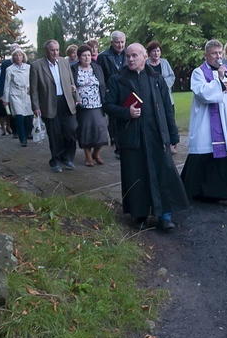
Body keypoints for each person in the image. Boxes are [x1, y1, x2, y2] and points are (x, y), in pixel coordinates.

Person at [103, 43, 189, 231]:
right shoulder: (118, 80)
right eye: (128, 56)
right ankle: (140, 214)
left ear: (144, 57)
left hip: (157, 136)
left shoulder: (156, 79)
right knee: (136, 176)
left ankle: (165, 215)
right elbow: (107, 105)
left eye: (135, 56)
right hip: (132, 138)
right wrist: (127, 112)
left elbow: (168, 109)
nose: (131, 59)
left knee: (163, 174)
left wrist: (172, 135)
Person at [181, 39, 227, 208]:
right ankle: (199, 193)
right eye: (214, 53)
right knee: (204, 157)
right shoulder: (198, 73)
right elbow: (203, 94)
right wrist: (219, 81)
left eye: (220, 53)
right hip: (207, 123)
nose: (218, 57)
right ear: (206, 55)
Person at [29, 40, 80, 172]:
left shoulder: (64, 62)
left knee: (71, 130)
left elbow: (71, 82)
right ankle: (56, 160)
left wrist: (76, 97)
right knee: (54, 134)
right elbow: (33, 89)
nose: (55, 53)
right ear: (46, 51)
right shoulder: (36, 66)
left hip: (66, 101)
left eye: (57, 50)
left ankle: (68, 157)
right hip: (49, 103)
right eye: (52, 50)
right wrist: (35, 107)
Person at [72, 45, 109, 166]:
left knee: (101, 130)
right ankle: (88, 157)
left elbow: (102, 84)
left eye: (88, 55)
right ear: (79, 57)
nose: (87, 57)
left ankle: (96, 153)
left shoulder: (97, 68)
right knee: (85, 131)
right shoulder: (73, 69)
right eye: (84, 55)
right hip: (82, 106)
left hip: (98, 104)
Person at [97, 31, 127, 159]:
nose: (120, 45)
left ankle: (126, 145)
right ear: (111, 43)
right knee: (114, 121)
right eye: (117, 42)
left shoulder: (129, 54)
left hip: (127, 91)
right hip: (112, 92)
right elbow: (100, 77)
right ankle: (119, 148)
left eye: (122, 42)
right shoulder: (103, 57)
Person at [146, 41, 177, 153]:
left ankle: (172, 145)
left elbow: (171, 76)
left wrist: (162, 85)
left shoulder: (164, 63)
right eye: (154, 51)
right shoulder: (146, 64)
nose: (156, 53)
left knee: (169, 119)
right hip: (151, 97)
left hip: (165, 96)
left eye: (158, 51)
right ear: (149, 53)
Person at [2, 48, 33, 147]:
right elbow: (7, 85)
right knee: (19, 116)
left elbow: (33, 80)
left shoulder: (29, 67)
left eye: (20, 55)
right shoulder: (10, 69)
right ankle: (22, 138)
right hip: (15, 95)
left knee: (29, 116)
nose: (18, 57)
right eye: (16, 55)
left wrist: (32, 89)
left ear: (23, 56)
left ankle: (28, 132)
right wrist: (6, 100)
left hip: (27, 94)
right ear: (13, 57)